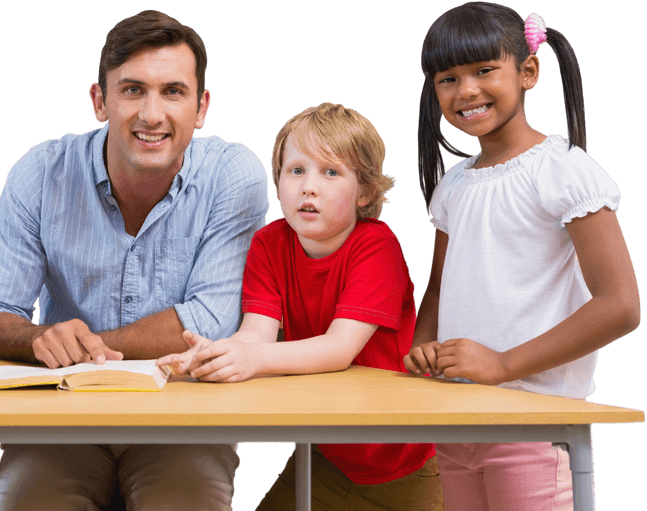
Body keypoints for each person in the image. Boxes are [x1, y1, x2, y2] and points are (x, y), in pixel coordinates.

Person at [0, 9, 268, 511]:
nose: (152, 115)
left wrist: (88, 352)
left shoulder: (233, 175)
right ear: (98, 100)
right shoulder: (40, 172)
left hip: (184, 417)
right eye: (132, 90)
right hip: (61, 418)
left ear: (201, 107)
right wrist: (37, 336)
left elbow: (210, 322)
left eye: (173, 91)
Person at [404, 3, 640, 510]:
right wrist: (424, 343)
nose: (466, 90)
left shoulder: (564, 170)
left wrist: (504, 363)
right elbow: (441, 288)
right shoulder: (453, 185)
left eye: (484, 70)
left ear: (528, 71)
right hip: (457, 423)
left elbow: (620, 305)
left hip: (535, 427)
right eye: (448, 78)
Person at [160, 102, 443, 510]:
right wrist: (216, 355)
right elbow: (256, 333)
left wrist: (251, 360)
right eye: (296, 170)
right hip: (323, 456)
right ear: (277, 183)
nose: (309, 186)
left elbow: (338, 349)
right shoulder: (268, 243)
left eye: (331, 172)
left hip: (399, 465)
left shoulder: (376, 246)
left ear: (365, 192)